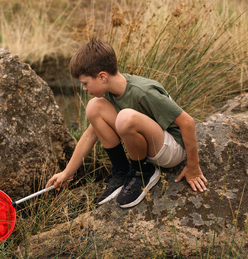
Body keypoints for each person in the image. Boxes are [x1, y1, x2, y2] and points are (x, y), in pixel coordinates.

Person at [47, 39, 208, 208]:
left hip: (171, 149)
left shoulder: (143, 91)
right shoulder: (109, 91)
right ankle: (122, 171)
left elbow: (187, 122)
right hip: (150, 143)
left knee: (125, 118)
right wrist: (67, 172)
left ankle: (143, 171)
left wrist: (193, 167)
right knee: (94, 107)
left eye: (85, 83)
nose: (84, 89)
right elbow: (90, 134)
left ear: (102, 76)